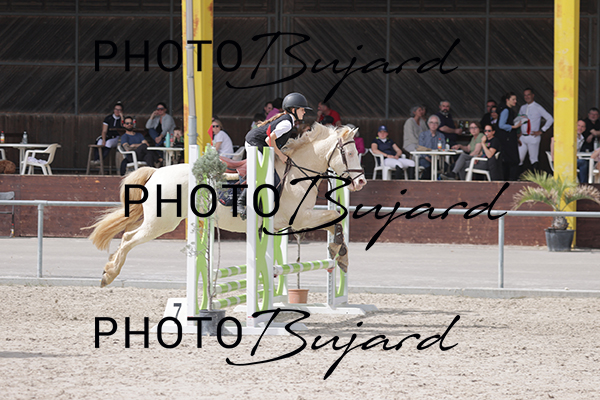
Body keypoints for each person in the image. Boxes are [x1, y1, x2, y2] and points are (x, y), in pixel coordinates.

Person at [241, 92, 312, 217]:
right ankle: (241, 202)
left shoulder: (288, 120)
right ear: (293, 110)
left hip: (261, 145)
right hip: (255, 144)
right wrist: (281, 155)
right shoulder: (287, 123)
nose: (304, 112)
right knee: (264, 174)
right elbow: (269, 140)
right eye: (302, 109)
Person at [517, 88, 553, 171]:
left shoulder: (538, 107)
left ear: (533, 95)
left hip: (533, 136)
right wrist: (518, 131)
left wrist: (542, 130)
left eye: (528, 95)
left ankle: (534, 176)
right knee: (519, 158)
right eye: (525, 95)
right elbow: (519, 120)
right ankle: (518, 176)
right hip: (523, 137)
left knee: (533, 159)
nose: (527, 97)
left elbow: (550, 119)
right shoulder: (523, 107)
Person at [498, 92, 523, 181]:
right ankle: (511, 179)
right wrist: (514, 127)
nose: (515, 101)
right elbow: (501, 125)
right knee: (512, 160)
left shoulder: (510, 110)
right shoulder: (506, 110)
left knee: (511, 160)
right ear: (507, 100)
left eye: (515, 99)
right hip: (507, 139)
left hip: (510, 138)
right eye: (513, 99)